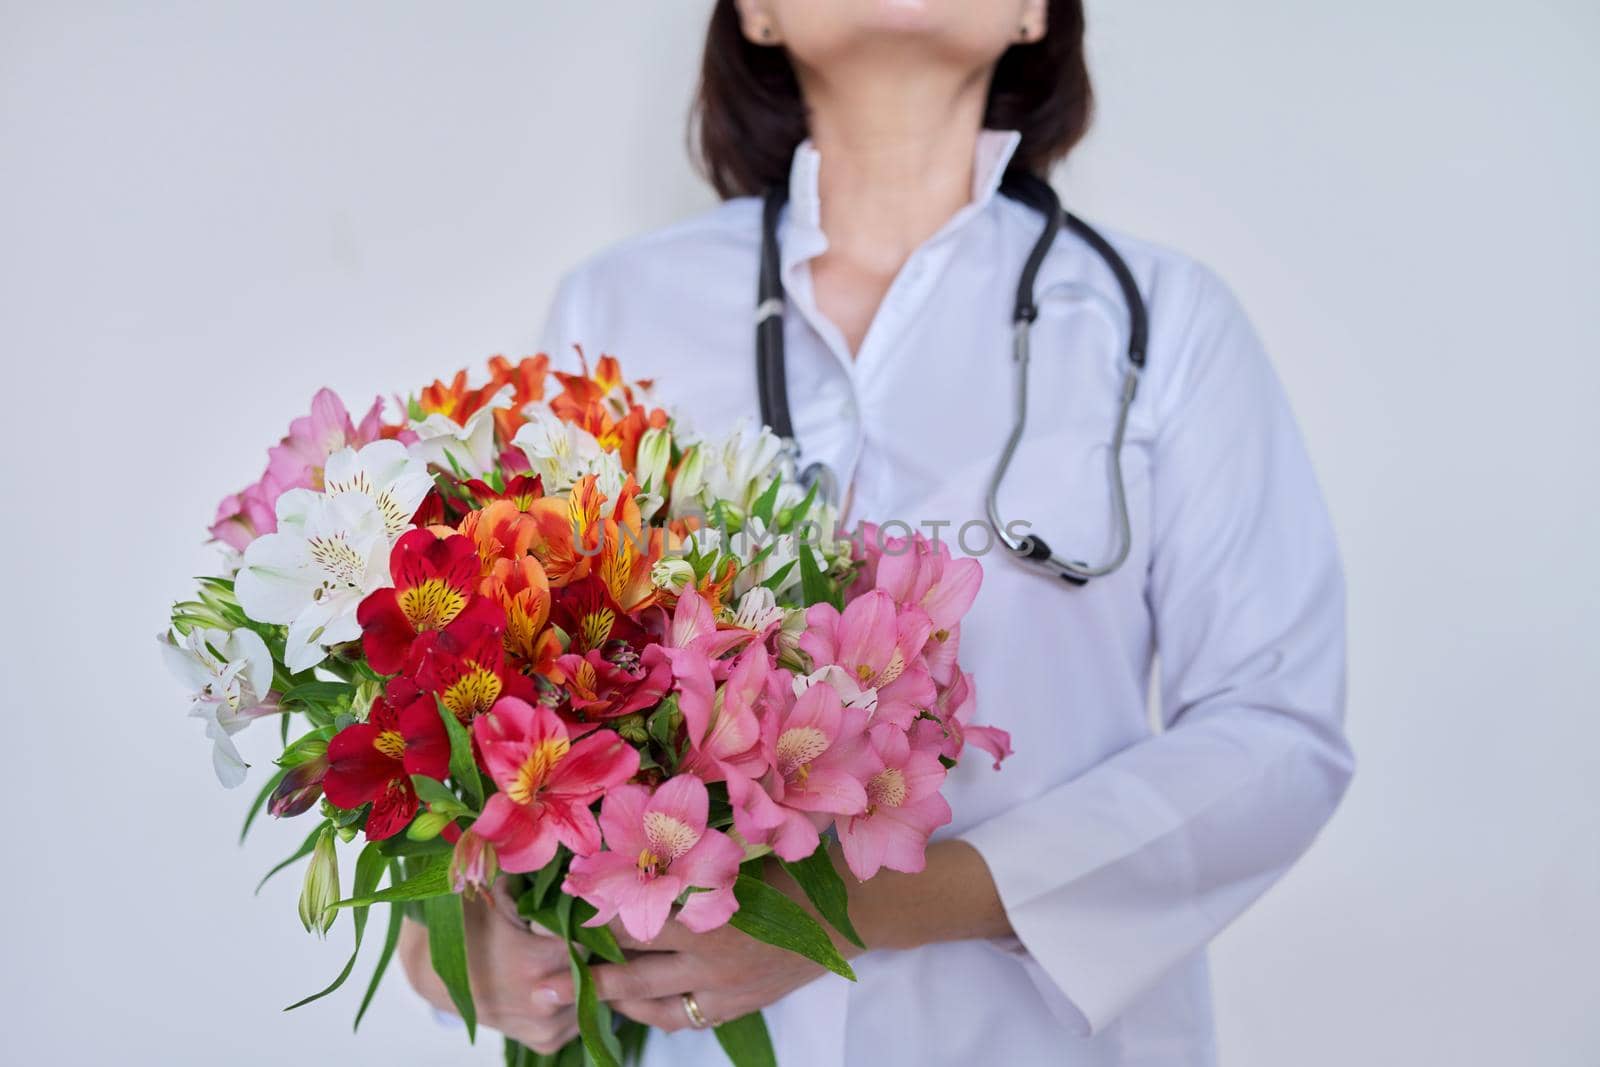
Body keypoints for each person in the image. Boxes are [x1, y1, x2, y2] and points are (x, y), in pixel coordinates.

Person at [401, 2, 1354, 1063]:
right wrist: (454, 935)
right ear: (755, 14)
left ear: (1036, 13)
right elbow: (524, 672)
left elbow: (1275, 730)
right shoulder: (622, 307)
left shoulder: (1163, 320)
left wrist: (846, 911)